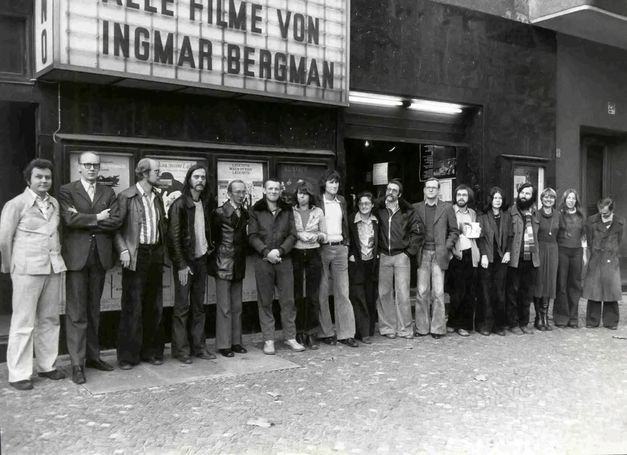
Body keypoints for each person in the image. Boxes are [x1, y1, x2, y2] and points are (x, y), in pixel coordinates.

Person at [0, 159, 67, 390]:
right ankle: (19, 374)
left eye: (47, 177)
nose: (44, 181)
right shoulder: (16, 204)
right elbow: (4, 240)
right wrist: (11, 269)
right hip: (27, 270)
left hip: (53, 267)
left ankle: (47, 366)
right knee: (23, 321)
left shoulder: (55, 203)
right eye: (39, 177)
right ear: (29, 179)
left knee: (49, 320)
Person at [59, 151, 121, 384]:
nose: (92, 168)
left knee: (94, 309)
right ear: (79, 167)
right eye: (87, 165)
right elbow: (68, 220)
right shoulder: (67, 190)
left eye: (96, 165)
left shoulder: (108, 191)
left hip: (100, 257)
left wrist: (83, 219)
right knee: (76, 312)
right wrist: (97, 218)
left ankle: (93, 356)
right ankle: (77, 363)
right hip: (77, 258)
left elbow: (116, 221)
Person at [114, 158, 167, 369]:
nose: (159, 174)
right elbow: (116, 227)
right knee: (132, 306)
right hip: (136, 255)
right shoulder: (127, 196)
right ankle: (128, 357)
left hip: (155, 254)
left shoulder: (157, 197)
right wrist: (124, 250)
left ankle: (151, 352)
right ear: (144, 173)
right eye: (156, 171)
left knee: (154, 305)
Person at [248, 178, 305, 355]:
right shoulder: (255, 210)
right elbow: (252, 236)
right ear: (264, 191)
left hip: (284, 260)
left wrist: (280, 251)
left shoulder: (287, 210)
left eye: (276, 189)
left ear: (280, 191)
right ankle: (269, 340)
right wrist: (267, 252)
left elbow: (293, 234)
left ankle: (290, 337)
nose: (273, 191)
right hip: (264, 261)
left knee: (288, 300)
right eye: (270, 188)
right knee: (265, 301)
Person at [167, 164, 216, 364]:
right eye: (196, 177)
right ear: (189, 180)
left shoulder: (205, 203)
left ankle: (199, 347)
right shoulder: (179, 204)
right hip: (185, 263)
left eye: (203, 177)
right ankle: (181, 350)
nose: (200, 181)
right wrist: (180, 265)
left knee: (199, 306)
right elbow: (174, 237)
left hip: (201, 260)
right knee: (182, 307)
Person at [374, 180, 422, 339]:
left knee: (402, 293)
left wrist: (409, 252)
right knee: (384, 293)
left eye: (394, 190)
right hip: (384, 256)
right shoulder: (379, 208)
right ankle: (388, 328)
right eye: (388, 189)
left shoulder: (408, 211)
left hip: (401, 256)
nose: (390, 192)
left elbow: (417, 232)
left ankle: (405, 329)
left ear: (399, 194)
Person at [413, 178, 459, 339]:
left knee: (438, 293)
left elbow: (454, 231)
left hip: (439, 253)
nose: (431, 190)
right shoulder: (416, 208)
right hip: (423, 253)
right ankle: (421, 327)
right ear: (424, 190)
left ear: (439, 190)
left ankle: (438, 328)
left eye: (434, 188)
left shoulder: (446, 208)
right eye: (428, 188)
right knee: (421, 291)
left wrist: (447, 246)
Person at [209, 179, 249, 358]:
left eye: (243, 192)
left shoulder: (244, 213)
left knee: (237, 306)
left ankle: (236, 342)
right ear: (229, 193)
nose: (241, 195)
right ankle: (224, 344)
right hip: (223, 262)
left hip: (238, 262)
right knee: (224, 306)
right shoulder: (219, 213)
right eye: (237, 192)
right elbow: (214, 238)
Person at [318, 170, 358, 347]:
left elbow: (346, 224)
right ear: (324, 184)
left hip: (340, 247)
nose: (334, 186)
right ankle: (326, 332)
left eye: (336, 183)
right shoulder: (318, 201)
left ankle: (346, 333)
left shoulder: (341, 200)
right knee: (323, 291)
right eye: (330, 182)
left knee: (343, 292)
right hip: (322, 249)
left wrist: (347, 245)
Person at [292, 180, 326, 349]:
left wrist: (316, 236)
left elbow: (324, 235)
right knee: (297, 295)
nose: (302, 196)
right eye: (299, 193)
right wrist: (299, 235)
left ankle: (311, 333)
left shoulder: (318, 211)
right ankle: (298, 332)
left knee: (313, 295)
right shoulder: (291, 211)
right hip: (297, 253)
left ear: (310, 196)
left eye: (305, 193)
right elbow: (288, 231)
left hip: (313, 253)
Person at [582, 197, 624, 329]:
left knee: (611, 290)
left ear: (612, 210)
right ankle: (592, 320)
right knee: (594, 290)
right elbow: (588, 240)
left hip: (611, 259)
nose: (603, 215)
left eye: (606, 213)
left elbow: (620, 241)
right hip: (596, 257)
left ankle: (611, 321)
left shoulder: (619, 223)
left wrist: (612, 253)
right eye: (601, 212)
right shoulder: (591, 222)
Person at [477, 187, 512, 336]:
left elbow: (511, 236)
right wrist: (483, 255)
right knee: (485, 291)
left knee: (499, 292)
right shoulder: (482, 217)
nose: (497, 201)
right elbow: (479, 237)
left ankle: (498, 325)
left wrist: (508, 252)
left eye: (500, 198)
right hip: (487, 258)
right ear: (490, 199)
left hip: (501, 258)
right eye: (495, 198)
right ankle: (485, 324)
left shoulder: (506, 216)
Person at [506, 182, 540, 335]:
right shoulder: (510, 212)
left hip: (531, 258)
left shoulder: (535, 214)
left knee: (526, 293)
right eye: (522, 193)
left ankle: (524, 322)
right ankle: (512, 323)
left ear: (532, 197)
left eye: (528, 193)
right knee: (512, 292)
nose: (524, 196)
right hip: (515, 258)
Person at [448, 184, 480, 336]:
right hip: (456, 254)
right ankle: (453, 322)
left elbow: (474, 234)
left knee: (469, 291)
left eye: (464, 195)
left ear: (469, 198)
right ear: (455, 197)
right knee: (457, 292)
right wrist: (453, 251)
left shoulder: (473, 213)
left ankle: (465, 325)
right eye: (459, 195)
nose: (461, 197)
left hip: (470, 254)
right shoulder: (450, 211)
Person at [348, 191, 380, 343]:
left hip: (372, 263)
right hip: (357, 262)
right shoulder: (351, 220)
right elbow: (346, 237)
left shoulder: (376, 220)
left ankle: (369, 329)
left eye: (367, 203)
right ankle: (363, 332)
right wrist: (350, 254)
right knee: (358, 296)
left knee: (370, 296)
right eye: (361, 203)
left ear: (372, 205)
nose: (364, 206)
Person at [554, 189, 587, 328]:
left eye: (573, 198)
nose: (571, 200)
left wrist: (584, 254)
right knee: (561, 284)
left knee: (575, 284)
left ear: (576, 201)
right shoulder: (559, 214)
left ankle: (573, 317)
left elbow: (583, 236)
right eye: (569, 198)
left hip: (577, 251)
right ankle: (561, 317)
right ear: (565, 199)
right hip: (562, 250)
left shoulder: (581, 216)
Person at [532, 187, 560, 331]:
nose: (548, 200)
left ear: (554, 200)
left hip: (553, 250)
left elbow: (561, 235)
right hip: (539, 249)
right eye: (546, 197)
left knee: (550, 283)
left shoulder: (558, 215)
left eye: (551, 198)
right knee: (539, 282)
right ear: (541, 199)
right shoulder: (536, 214)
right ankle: (538, 317)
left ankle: (545, 316)